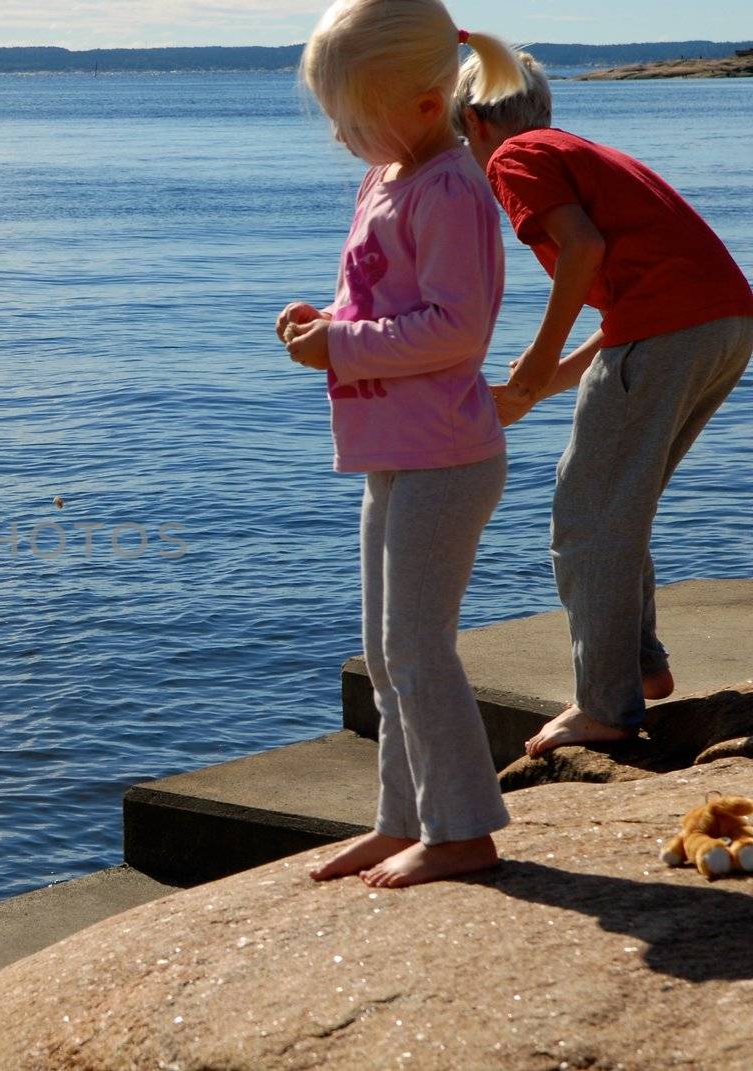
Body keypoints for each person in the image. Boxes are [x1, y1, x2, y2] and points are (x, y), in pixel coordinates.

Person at [279, 0, 525, 888]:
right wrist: (328, 320)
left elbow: (458, 331)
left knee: (420, 647)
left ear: (425, 105)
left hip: (448, 454)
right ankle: (402, 818)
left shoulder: (452, 188)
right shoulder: (388, 177)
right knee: (385, 653)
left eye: (350, 118)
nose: (340, 136)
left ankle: (462, 829)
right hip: (396, 447)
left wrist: (340, 348)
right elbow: (384, 299)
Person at [454, 52, 753, 758]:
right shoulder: (577, 149)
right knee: (619, 504)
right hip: (724, 325)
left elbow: (582, 250)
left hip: (674, 330)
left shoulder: (514, 157)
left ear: (473, 119)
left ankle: (604, 705)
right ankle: (642, 663)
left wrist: (529, 358)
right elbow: (631, 304)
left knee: (585, 518)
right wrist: (540, 386)